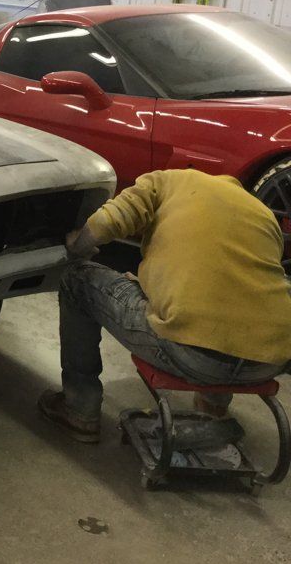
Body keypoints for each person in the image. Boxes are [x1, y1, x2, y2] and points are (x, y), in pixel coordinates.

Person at [39, 169, 291, 443]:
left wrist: (78, 246)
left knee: (78, 281)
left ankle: (79, 410)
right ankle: (212, 408)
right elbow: (235, 285)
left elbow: (109, 220)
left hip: (190, 353)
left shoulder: (165, 181)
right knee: (230, 308)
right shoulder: (261, 212)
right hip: (271, 360)